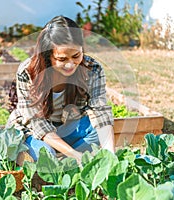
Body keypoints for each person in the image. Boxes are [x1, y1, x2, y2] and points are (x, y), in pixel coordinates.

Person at [6, 15, 114, 163]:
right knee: (47, 155)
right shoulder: (27, 72)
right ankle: (68, 159)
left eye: (76, 56)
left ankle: (68, 162)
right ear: (47, 55)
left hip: (67, 126)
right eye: (62, 59)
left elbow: (100, 112)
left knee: (97, 133)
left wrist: (111, 156)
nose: (70, 64)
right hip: (33, 130)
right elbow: (37, 124)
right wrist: (75, 154)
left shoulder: (92, 69)